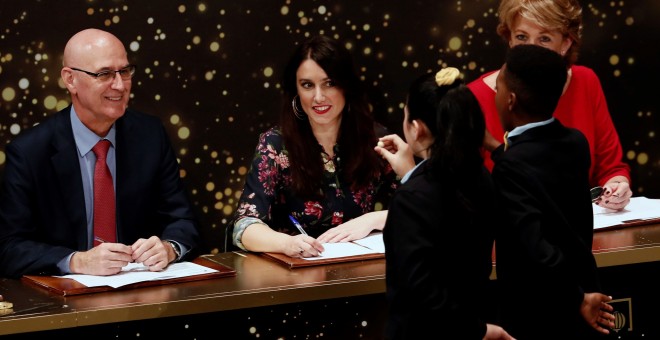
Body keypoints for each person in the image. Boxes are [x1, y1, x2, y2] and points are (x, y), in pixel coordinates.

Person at [0, 28, 200, 279]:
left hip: (142, 294)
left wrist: (169, 248)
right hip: (63, 306)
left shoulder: (150, 135)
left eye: (124, 72)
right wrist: (78, 261)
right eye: (104, 74)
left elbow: (183, 220)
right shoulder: (30, 152)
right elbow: (9, 247)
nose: (119, 85)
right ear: (70, 79)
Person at [376, 68, 514, 340]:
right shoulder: (481, 177)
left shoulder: (413, 198)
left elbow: (420, 291)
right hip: (476, 317)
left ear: (416, 129)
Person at [231, 35, 397, 257]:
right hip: (297, 276)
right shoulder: (275, 143)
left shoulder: (374, 138)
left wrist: (373, 219)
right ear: (296, 91)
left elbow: (424, 208)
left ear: (346, 86)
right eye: (307, 85)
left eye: (329, 83)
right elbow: (244, 227)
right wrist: (286, 243)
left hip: (361, 271)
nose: (319, 97)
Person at [491, 44, 615, 339]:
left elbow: (536, 248)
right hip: (584, 287)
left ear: (510, 100)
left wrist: (577, 298)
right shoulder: (576, 142)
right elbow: (534, 168)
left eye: (497, 88)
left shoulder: (510, 168)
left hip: (542, 309)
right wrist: (497, 150)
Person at [467, 0, 632, 210]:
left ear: (565, 43)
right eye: (521, 37)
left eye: (544, 38)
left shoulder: (586, 82)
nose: (532, 49)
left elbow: (611, 168)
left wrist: (617, 186)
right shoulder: (474, 97)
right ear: (509, 39)